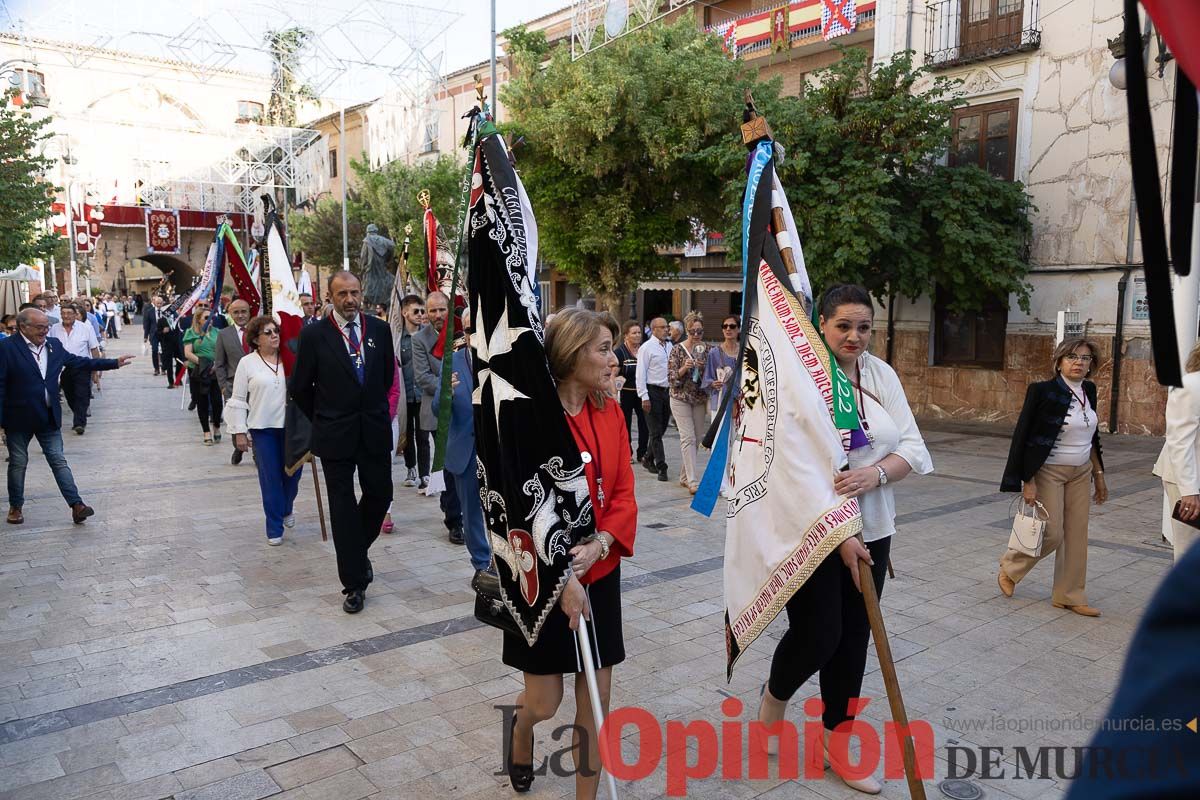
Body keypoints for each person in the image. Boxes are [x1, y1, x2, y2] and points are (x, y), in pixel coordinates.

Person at [757, 284, 932, 795]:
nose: (855, 337)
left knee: (854, 640)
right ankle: (775, 693)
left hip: (874, 530)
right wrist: (837, 535)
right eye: (843, 326)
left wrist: (875, 474)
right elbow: (792, 467)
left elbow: (912, 446)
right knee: (819, 635)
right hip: (812, 531)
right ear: (821, 324)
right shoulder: (800, 381)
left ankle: (837, 741)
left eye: (864, 327)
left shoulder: (881, 375)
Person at [505, 309, 637, 798]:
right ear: (570, 353)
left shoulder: (611, 411)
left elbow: (623, 490)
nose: (612, 358)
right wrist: (564, 577)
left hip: (599, 575)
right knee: (545, 701)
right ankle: (520, 732)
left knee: (595, 704)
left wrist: (602, 543)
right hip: (544, 579)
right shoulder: (533, 419)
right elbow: (522, 507)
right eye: (603, 349)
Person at [290, 271, 395, 614]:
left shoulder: (379, 329)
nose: (350, 299)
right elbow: (301, 388)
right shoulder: (314, 335)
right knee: (343, 506)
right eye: (342, 294)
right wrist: (325, 417)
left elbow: (385, 378)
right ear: (329, 297)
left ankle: (354, 552)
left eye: (355, 292)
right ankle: (354, 583)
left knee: (380, 494)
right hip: (335, 435)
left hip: (374, 430)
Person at [998, 337, 1108, 616]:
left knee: (1075, 536)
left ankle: (1069, 595)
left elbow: (1092, 436)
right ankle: (1010, 568)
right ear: (1059, 362)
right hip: (1049, 471)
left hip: (1081, 472)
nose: (1078, 363)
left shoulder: (1089, 390)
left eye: (1085, 358)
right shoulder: (1042, 391)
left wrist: (1099, 474)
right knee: (1052, 532)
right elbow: (1023, 436)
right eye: (1072, 357)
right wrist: (1027, 480)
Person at [1, 308, 133, 525]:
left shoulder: (53, 346)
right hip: (18, 417)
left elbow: (80, 362)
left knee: (58, 460)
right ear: (23, 327)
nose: (45, 331)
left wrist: (112, 363)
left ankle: (76, 505)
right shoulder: (6, 348)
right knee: (18, 462)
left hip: (48, 416)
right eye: (40, 327)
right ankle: (16, 506)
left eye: (46, 326)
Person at [227, 315, 303, 545]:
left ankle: (286, 507)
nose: (274, 336)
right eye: (268, 333)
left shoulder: (289, 358)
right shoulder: (247, 363)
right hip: (262, 429)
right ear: (256, 339)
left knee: (292, 475)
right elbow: (238, 398)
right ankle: (274, 527)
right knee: (270, 478)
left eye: (276, 331)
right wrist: (240, 431)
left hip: (291, 428)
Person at [435, 309, 491, 581]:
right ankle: (482, 564)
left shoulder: (503, 360)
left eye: (478, 329)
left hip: (497, 450)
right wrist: (446, 393)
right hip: (465, 452)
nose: (473, 335)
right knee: (470, 512)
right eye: (468, 330)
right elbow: (437, 410)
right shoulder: (452, 362)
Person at [412, 291, 464, 544]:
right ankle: (454, 521)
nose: (437, 315)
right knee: (447, 462)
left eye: (442, 309)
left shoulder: (460, 334)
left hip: (464, 409)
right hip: (437, 409)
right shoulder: (420, 339)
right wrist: (449, 388)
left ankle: (452, 505)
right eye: (432, 310)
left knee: (458, 464)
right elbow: (422, 377)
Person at [1154, 339, 1200, 560]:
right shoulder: (1191, 385)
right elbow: (1179, 441)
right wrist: (1189, 491)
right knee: (1189, 552)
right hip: (1188, 481)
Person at [666, 311, 710, 494]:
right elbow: (671, 378)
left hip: (699, 398)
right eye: (693, 331)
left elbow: (712, 377)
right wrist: (685, 368)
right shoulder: (677, 349)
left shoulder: (707, 350)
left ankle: (684, 476)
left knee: (697, 438)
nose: (696, 335)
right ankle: (693, 481)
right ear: (687, 331)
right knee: (688, 438)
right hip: (680, 398)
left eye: (699, 331)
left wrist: (703, 368)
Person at [49, 303, 101, 435]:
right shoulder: (54, 329)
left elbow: (94, 349)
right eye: (63, 313)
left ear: (75, 315)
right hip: (63, 369)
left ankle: (79, 423)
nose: (66, 316)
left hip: (82, 366)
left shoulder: (85, 328)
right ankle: (79, 414)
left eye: (69, 313)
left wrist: (95, 371)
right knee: (70, 395)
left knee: (82, 394)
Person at [213, 299, 252, 464]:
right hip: (233, 386)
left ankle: (258, 453)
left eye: (243, 311)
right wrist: (223, 386)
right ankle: (238, 447)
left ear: (249, 312)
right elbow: (219, 363)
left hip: (256, 385)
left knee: (255, 419)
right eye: (236, 312)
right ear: (230, 314)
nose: (240, 315)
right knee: (238, 420)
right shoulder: (224, 334)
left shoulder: (257, 331)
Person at [398, 294, 429, 488]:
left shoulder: (428, 335)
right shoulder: (397, 338)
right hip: (405, 394)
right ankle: (411, 468)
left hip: (424, 393)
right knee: (407, 435)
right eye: (415, 311)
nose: (420, 315)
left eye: (422, 311)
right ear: (404, 312)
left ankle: (425, 475)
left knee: (423, 435)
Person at [635, 316, 672, 482]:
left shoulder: (670, 345)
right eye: (663, 327)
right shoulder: (646, 348)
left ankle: (648, 457)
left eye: (667, 327)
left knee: (662, 428)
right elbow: (640, 373)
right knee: (655, 431)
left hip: (667, 392)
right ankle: (662, 466)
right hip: (652, 391)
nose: (666, 330)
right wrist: (644, 396)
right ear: (654, 329)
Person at [183, 307, 223, 445]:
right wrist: (202, 363)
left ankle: (216, 426)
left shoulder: (217, 332)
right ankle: (206, 432)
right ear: (199, 319)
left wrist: (216, 364)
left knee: (217, 402)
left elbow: (222, 350)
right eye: (206, 318)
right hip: (199, 372)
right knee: (202, 402)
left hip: (215, 372)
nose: (210, 320)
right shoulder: (191, 333)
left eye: (211, 317)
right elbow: (188, 353)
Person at [613, 320, 647, 465]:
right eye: (634, 333)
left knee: (644, 423)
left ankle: (643, 453)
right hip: (626, 393)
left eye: (639, 332)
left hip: (642, 393)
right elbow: (613, 375)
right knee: (625, 424)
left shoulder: (645, 350)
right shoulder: (620, 353)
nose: (637, 335)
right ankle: (627, 453)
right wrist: (614, 395)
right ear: (626, 335)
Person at [143, 295, 164, 376]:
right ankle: (156, 369)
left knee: (164, 351)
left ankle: (164, 368)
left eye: (160, 303)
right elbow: (147, 325)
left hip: (163, 334)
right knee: (154, 351)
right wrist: (145, 336)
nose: (159, 305)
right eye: (157, 303)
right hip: (153, 335)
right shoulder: (150, 311)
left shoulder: (165, 311)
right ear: (154, 303)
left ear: (163, 303)